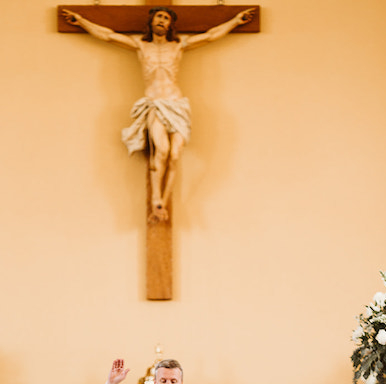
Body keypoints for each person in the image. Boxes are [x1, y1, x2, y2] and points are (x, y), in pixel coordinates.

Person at [60, 6, 257, 222]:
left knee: (174, 155)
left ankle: (164, 198)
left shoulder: (179, 45)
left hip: (177, 104)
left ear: (171, 24)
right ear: (151, 21)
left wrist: (236, 21)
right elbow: (108, 35)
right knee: (161, 150)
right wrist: (81, 21)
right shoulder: (141, 46)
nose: (162, 20)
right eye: (159, 17)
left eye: (166, 18)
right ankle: (156, 199)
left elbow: (210, 36)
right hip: (155, 104)